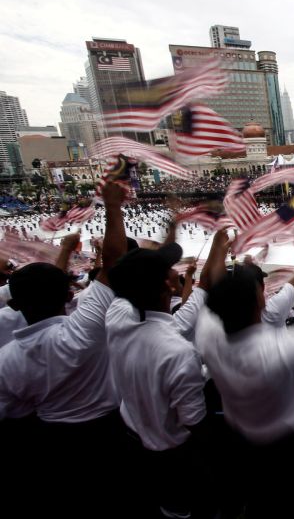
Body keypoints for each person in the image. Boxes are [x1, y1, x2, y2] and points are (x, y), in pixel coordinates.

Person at [196, 243, 294, 516]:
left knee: (259, 502)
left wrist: (219, 243)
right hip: (292, 447)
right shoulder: (277, 348)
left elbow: (209, 286)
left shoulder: (208, 335)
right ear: (258, 301)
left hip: (242, 442)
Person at [0, 181, 127, 518]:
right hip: (108, 434)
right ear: (69, 296)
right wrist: (113, 207)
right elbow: (114, 263)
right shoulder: (83, 331)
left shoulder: (5, 361)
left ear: (15, 304)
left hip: (51, 447)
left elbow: (10, 413)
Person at [106, 230, 230, 518]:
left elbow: (198, 293)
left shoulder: (117, 315)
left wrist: (215, 246)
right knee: (188, 507)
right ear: (166, 284)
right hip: (172, 451)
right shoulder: (177, 352)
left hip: (131, 431)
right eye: (169, 267)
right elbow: (194, 422)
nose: (176, 269)